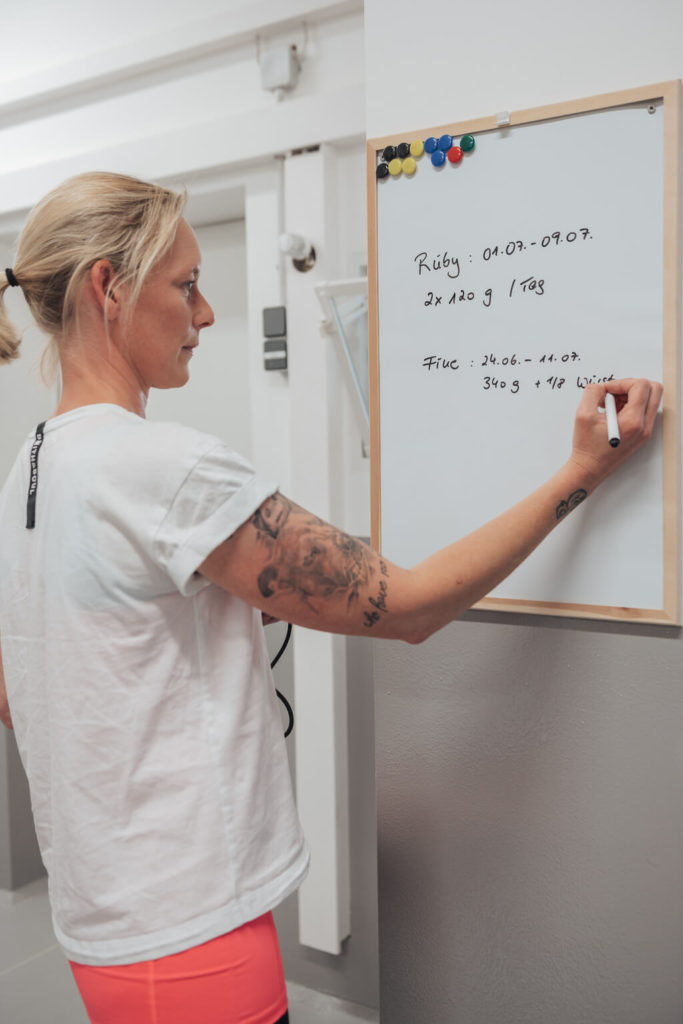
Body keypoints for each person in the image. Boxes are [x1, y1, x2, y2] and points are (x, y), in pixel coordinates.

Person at [0, 171, 662, 1024]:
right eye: (187, 285)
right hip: (190, 931)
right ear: (106, 286)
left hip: (105, 919)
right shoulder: (161, 466)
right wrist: (581, 472)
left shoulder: (33, 468)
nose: (203, 316)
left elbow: (24, 694)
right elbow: (412, 607)